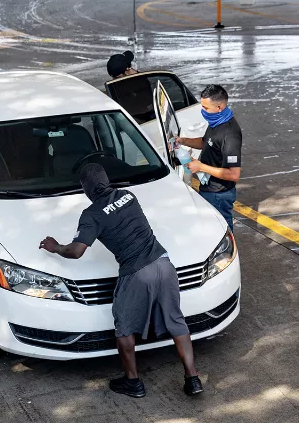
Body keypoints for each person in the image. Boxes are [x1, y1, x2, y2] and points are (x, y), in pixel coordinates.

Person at [39, 164, 203, 398]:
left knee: (124, 327)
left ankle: (133, 382)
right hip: (164, 263)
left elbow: (76, 251)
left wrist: (55, 247)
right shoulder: (128, 196)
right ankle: (193, 378)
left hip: (136, 272)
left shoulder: (91, 214)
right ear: (106, 180)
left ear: (86, 188)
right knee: (176, 321)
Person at [177, 84, 242, 229]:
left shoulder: (230, 135)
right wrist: (183, 140)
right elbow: (205, 142)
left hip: (219, 193)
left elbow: (234, 174)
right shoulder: (216, 121)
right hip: (209, 187)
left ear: (219, 107)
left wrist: (201, 167)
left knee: (222, 229)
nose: (203, 111)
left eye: (205, 108)